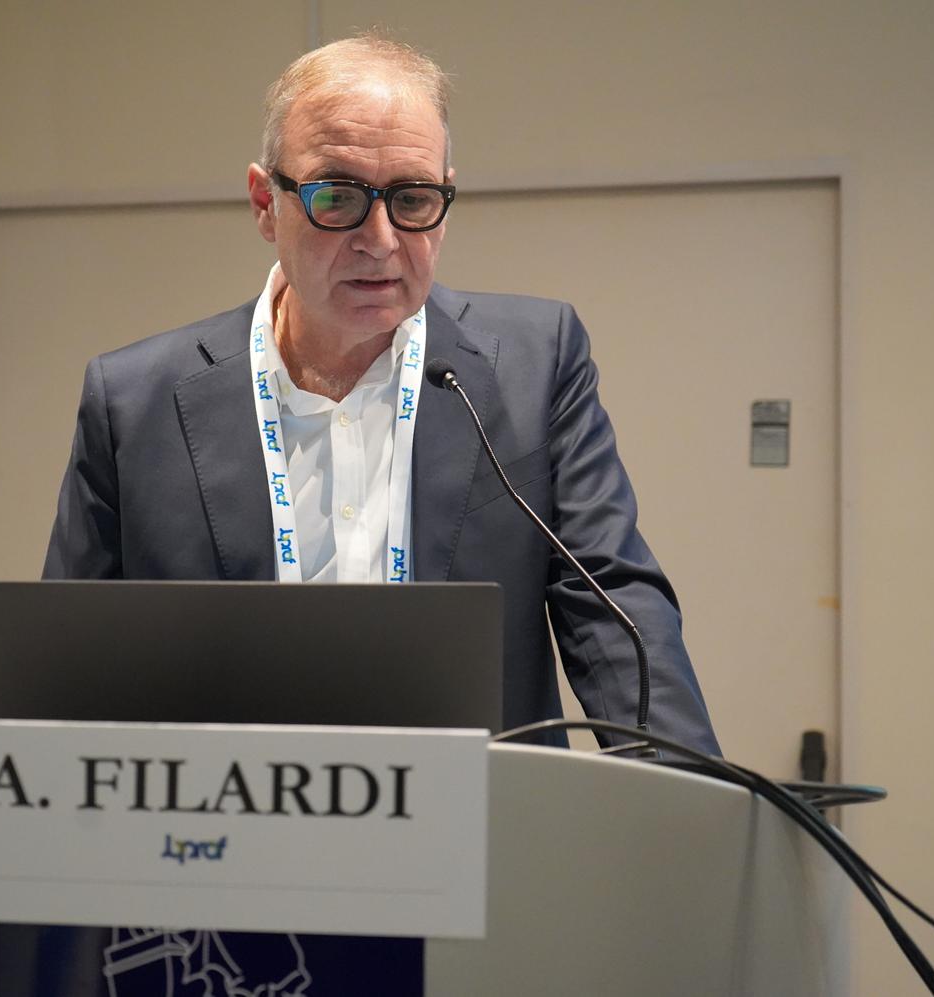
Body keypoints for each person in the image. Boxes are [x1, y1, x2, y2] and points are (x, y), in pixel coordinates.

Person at [44, 34, 719, 756]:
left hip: (476, 814)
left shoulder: (535, 364)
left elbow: (614, 608)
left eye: (413, 199)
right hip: (227, 813)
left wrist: (686, 794)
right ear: (266, 204)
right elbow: (66, 670)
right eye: (338, 197)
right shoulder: (135, 403)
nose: (381, 239)